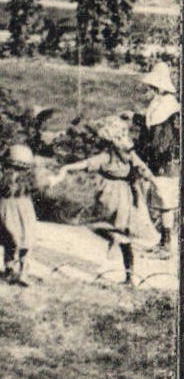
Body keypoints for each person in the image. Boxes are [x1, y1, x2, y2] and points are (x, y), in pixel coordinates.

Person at [50, 115, 159, 285]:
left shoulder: (109, 155)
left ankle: (118, 248)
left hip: (112, 196)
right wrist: (154, 182)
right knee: (123, 235)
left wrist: (65, 168)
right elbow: (143, 169)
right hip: (124, 196)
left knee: (101, 225)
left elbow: (86, 163)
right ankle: (129, 274)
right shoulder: (126, 155)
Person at [0, 142, 40, 285]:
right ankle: (22, 273)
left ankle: (10, 271)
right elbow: (45, 183)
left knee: (10, 242)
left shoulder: (2, 176)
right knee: (25, 242)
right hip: (24, 208)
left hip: (7, 207)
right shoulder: (30, 178)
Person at [135, 61, 179, 256]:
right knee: (163, 203)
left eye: (151, 88)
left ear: (158, 88)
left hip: (166, 163)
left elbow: (160, 141)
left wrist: (143, 152)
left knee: (166, 202)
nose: (149, 90)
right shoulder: (162, 105)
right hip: (163, 162)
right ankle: (164, 241)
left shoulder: (167, 109)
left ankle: (167, 245)